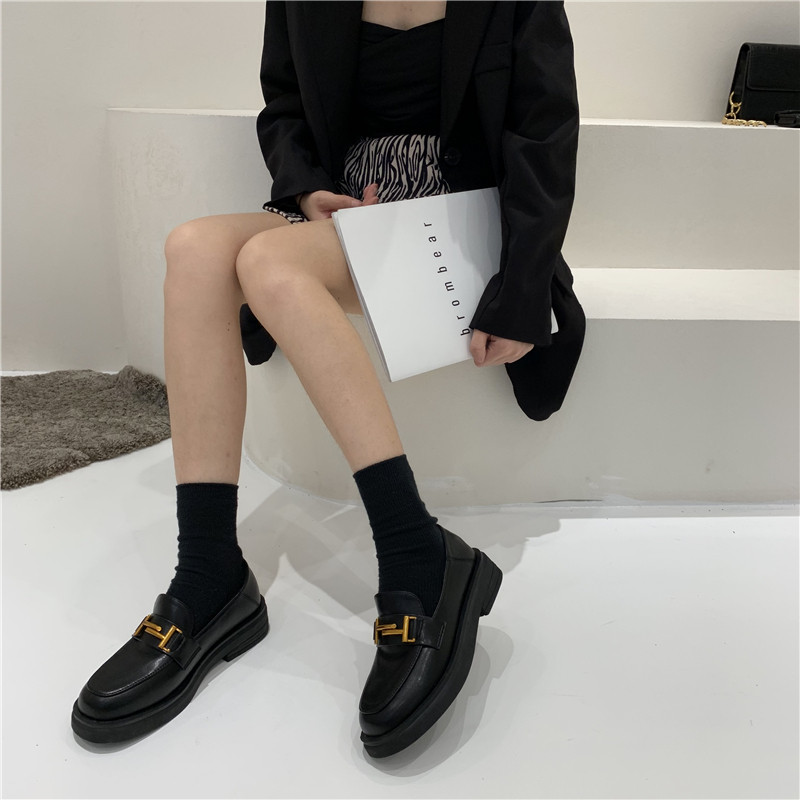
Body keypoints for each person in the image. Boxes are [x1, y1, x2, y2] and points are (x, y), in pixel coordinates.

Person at [70, 0, 584, 758]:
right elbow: (284, 104)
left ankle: (418, 554)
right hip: (349, 222)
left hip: (461, 226)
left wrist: (524, 286)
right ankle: (209, 572)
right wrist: (308, 188)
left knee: (268, 264)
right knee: (193, 249)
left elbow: (546, 127)